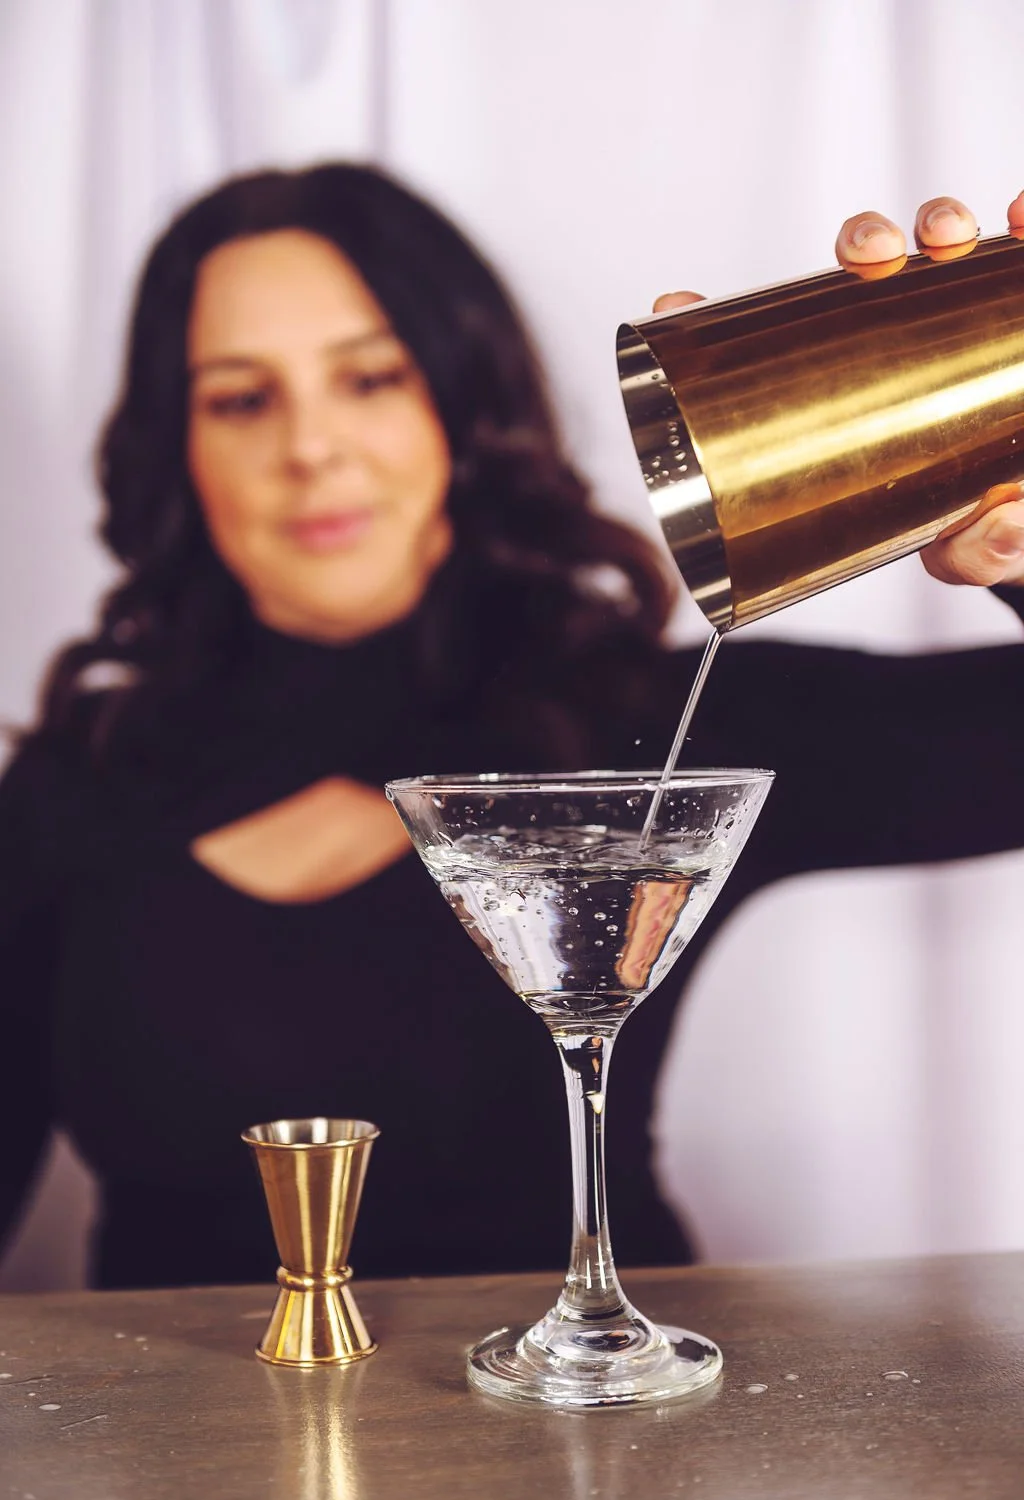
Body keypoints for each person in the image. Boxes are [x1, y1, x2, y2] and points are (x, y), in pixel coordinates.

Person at [1, 166, 1023, 1290]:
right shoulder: (72, 788)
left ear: (460, 402)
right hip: (179, 1447)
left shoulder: (658, 732)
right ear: (176, 448)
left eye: (370, 378)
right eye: (242, 398)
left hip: (593, 1441)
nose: (311, 448)